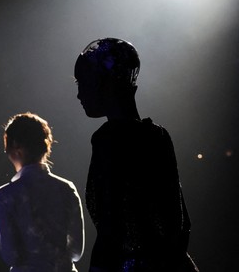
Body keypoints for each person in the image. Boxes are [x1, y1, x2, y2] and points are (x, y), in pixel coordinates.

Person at [73, 37, 199, 272]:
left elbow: (110, 226)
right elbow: (180, 222)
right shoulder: (158, 136)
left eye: (83, 82)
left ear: (105, 83)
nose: (79, 94)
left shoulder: (107, 140)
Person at [0, 112, 85, 272]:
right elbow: (76, 252)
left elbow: (11, 256)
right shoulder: (66, 188)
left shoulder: (5, 196)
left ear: (14, 147)